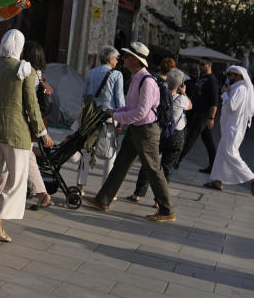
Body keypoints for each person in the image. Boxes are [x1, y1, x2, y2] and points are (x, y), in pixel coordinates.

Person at [83, 42, 176, 222]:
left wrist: (118, 116)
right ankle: (103, 199)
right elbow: (132, 107)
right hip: (137, 128)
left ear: (135, 60)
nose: (123, 58)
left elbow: (141, 111)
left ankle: (167, 209)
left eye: (126, 56)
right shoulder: (136, 78)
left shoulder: (147, 81)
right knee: (121, 164)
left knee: (153, 169)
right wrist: (116, 112)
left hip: (147, 131)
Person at [0, 30, 51, 242]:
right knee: (16, 181)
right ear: (20, 47)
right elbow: (31, 105)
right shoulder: (25, 69)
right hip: (16, 133)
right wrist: (42, 133)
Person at [128, 68, 190, 204]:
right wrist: (184, 93)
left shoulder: (160, 95)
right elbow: (190, 106)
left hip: (160, 133)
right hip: (177, 137)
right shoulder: (182, 100)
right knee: (167, 167)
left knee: (149, 163)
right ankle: (159, 201)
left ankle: (138, 193)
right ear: (180, 85)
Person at [204, 66, 254, 195]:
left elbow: (232, 106)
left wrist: (224, 93)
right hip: (229, 127)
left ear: (239, 76)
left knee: (230, 153)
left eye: (231, 75)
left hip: (233, 128)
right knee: (221, 152)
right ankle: (217, 180)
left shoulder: (241, 89)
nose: (228, 77)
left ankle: (253, 178)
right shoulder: (236, 88)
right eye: (228, 75)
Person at [76, 46, 125, 192]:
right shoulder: (117, 75)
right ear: (110, 59)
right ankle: (106, 189)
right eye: (116, 58)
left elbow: (84, 95)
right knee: (110, 153)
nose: (117, 61)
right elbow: (120, 99)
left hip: (91, 117)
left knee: (86, 149)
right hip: (108, 117)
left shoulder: (91, 73)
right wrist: (121, 120)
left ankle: (80, 186)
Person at [23, 40, 56, 211]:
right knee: (26, 157)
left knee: (25, 157)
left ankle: (42, 194)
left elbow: (29, 101)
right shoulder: (38, 73)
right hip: (33, 121)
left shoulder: (29, 74)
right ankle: (42, 194)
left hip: (27, 121)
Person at [178, 57, 220, 172]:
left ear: (209, 65)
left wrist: (211, 118)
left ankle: (176, 161)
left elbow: (214, 102)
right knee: (208, 141)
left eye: (203, 64)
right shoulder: (202, 78)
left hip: (203, 114)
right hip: (195, 112)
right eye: (199, 64)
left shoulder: (212, 81)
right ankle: (213, 166)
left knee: (190, 137)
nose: (200, 66)